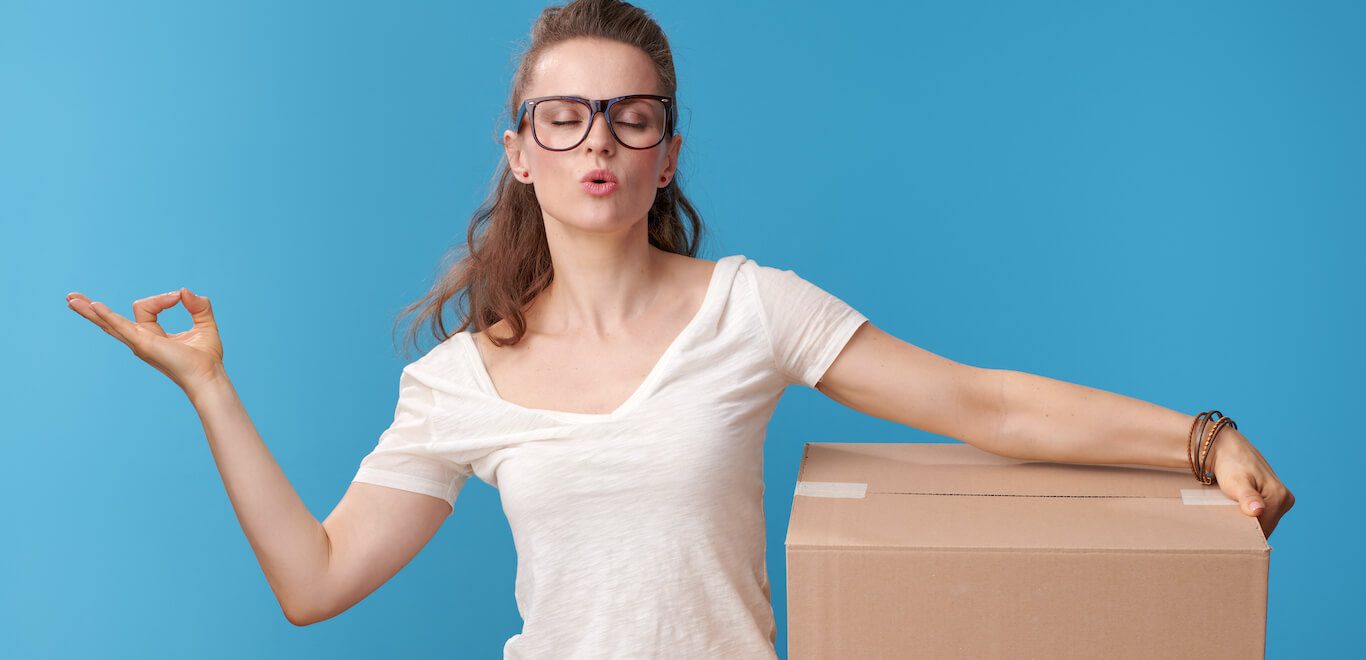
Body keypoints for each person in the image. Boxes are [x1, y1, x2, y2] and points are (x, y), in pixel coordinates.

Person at [64, 0, 1294, 657]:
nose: (595, 138)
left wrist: (1199, 438)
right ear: (519, 156)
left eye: (628, 115)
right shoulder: (456, 385)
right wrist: (211, 391)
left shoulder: (753, 309)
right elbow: (314, 582)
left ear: (666, 155)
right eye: (563, 118)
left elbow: (984, 404)